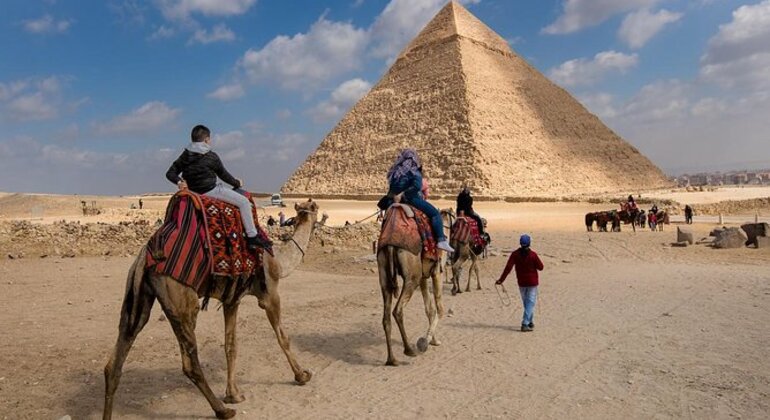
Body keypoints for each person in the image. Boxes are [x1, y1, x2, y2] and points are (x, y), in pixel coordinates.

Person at [166, 124, 269, 251]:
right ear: (206, 140)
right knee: (244, 202)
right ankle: (252, 237)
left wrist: (179, 182)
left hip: (192, 193)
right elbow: (224, 175)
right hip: (210, 191)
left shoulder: (185, 156)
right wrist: (237, 183)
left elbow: (170, 173)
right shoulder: (211, 156)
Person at [387, 149, 453, 253]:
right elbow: (417, 186)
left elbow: (391, 188)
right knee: (435, 213)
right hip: (411, 199)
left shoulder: (395, 171)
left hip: (394, 201)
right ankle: (441, 240)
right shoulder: (413, 170)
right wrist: (404, 194)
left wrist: (396, 195)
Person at [496, 234, 544, 332]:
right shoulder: (533, 255)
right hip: (532, 282)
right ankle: (525, 323)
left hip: (521, 282)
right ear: (529, 243)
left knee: (527, 303)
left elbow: (508, 268)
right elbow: (541, 267)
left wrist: (501, 280)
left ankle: (530, 321)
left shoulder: (515, 254)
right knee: (530, 303)